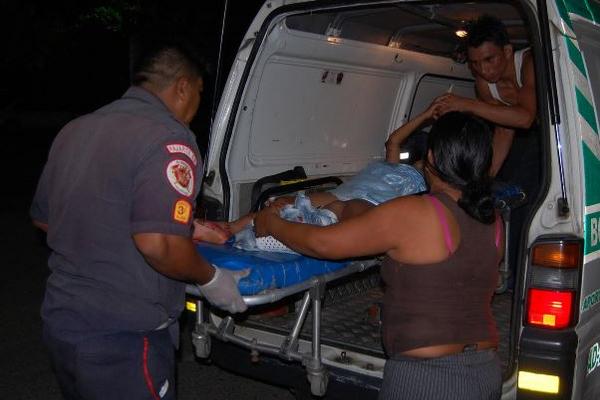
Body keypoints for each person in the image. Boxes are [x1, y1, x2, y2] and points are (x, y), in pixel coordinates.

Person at [30, 37, 247, 400]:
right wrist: (212, 279)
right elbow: (157, 243)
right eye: (198, 91)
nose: (197, 104)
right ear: (183, 86)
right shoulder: (170, 138)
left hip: (63, 322)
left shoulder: (76, 129)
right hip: (123, 337)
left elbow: (48, 219)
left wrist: (187, 227)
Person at [254, 112, 504, 400]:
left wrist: (273, 224)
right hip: (485, 372)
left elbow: (323, 243)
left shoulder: (418, 212)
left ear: (432, 157)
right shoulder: (493, 220)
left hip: (429, 380)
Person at [192, 103, 438, 244]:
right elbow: (393, 140)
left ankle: (283, 237)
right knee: (284, 203)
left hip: (370, 205)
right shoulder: (393, 164)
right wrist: (427, 114)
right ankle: (229, 230)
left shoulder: (426, 185)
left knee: (337, 218)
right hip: (342, 193)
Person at [433, 14, 536, 176]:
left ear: (507, 51)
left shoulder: (529, 63)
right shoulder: (484, 85)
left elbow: (525, 118)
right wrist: (486, 179)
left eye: (489, 59)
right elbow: (504, 130)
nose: (483, 70)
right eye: (475, 63)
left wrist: (466, 104)